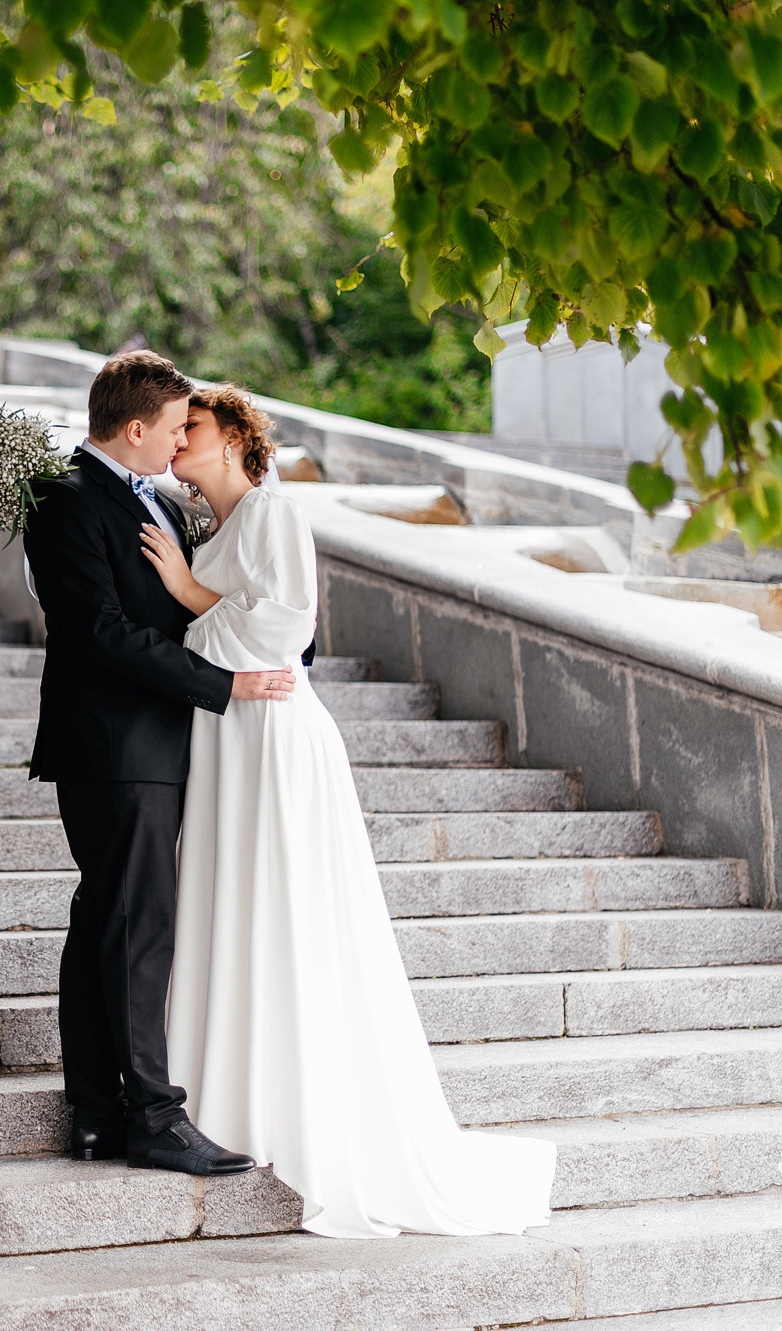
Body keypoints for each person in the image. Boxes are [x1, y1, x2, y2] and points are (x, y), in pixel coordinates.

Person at [137, 383, 558, 1236]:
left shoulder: (273, 514)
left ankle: (294, 1110)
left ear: (235, 438)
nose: (178, 440)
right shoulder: (211, 528)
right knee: (232, 903)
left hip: (272, 736)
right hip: (226, 738)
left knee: (281, 911)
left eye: (194, 427)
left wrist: (186, 594)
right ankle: (226, 1091)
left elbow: (283, 634)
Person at [22, 351, 297, 1175]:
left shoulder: (163, 506)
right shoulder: (66, 497)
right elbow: (100, 632)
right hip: (115, 745)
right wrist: (225, 684)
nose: (182, 442)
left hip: (153, 742)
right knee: (139, 924)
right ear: (136, 428)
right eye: (176, 427)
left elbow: (194, 613)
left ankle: (98, 1112)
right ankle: (153, 1115)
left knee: (106, 919)